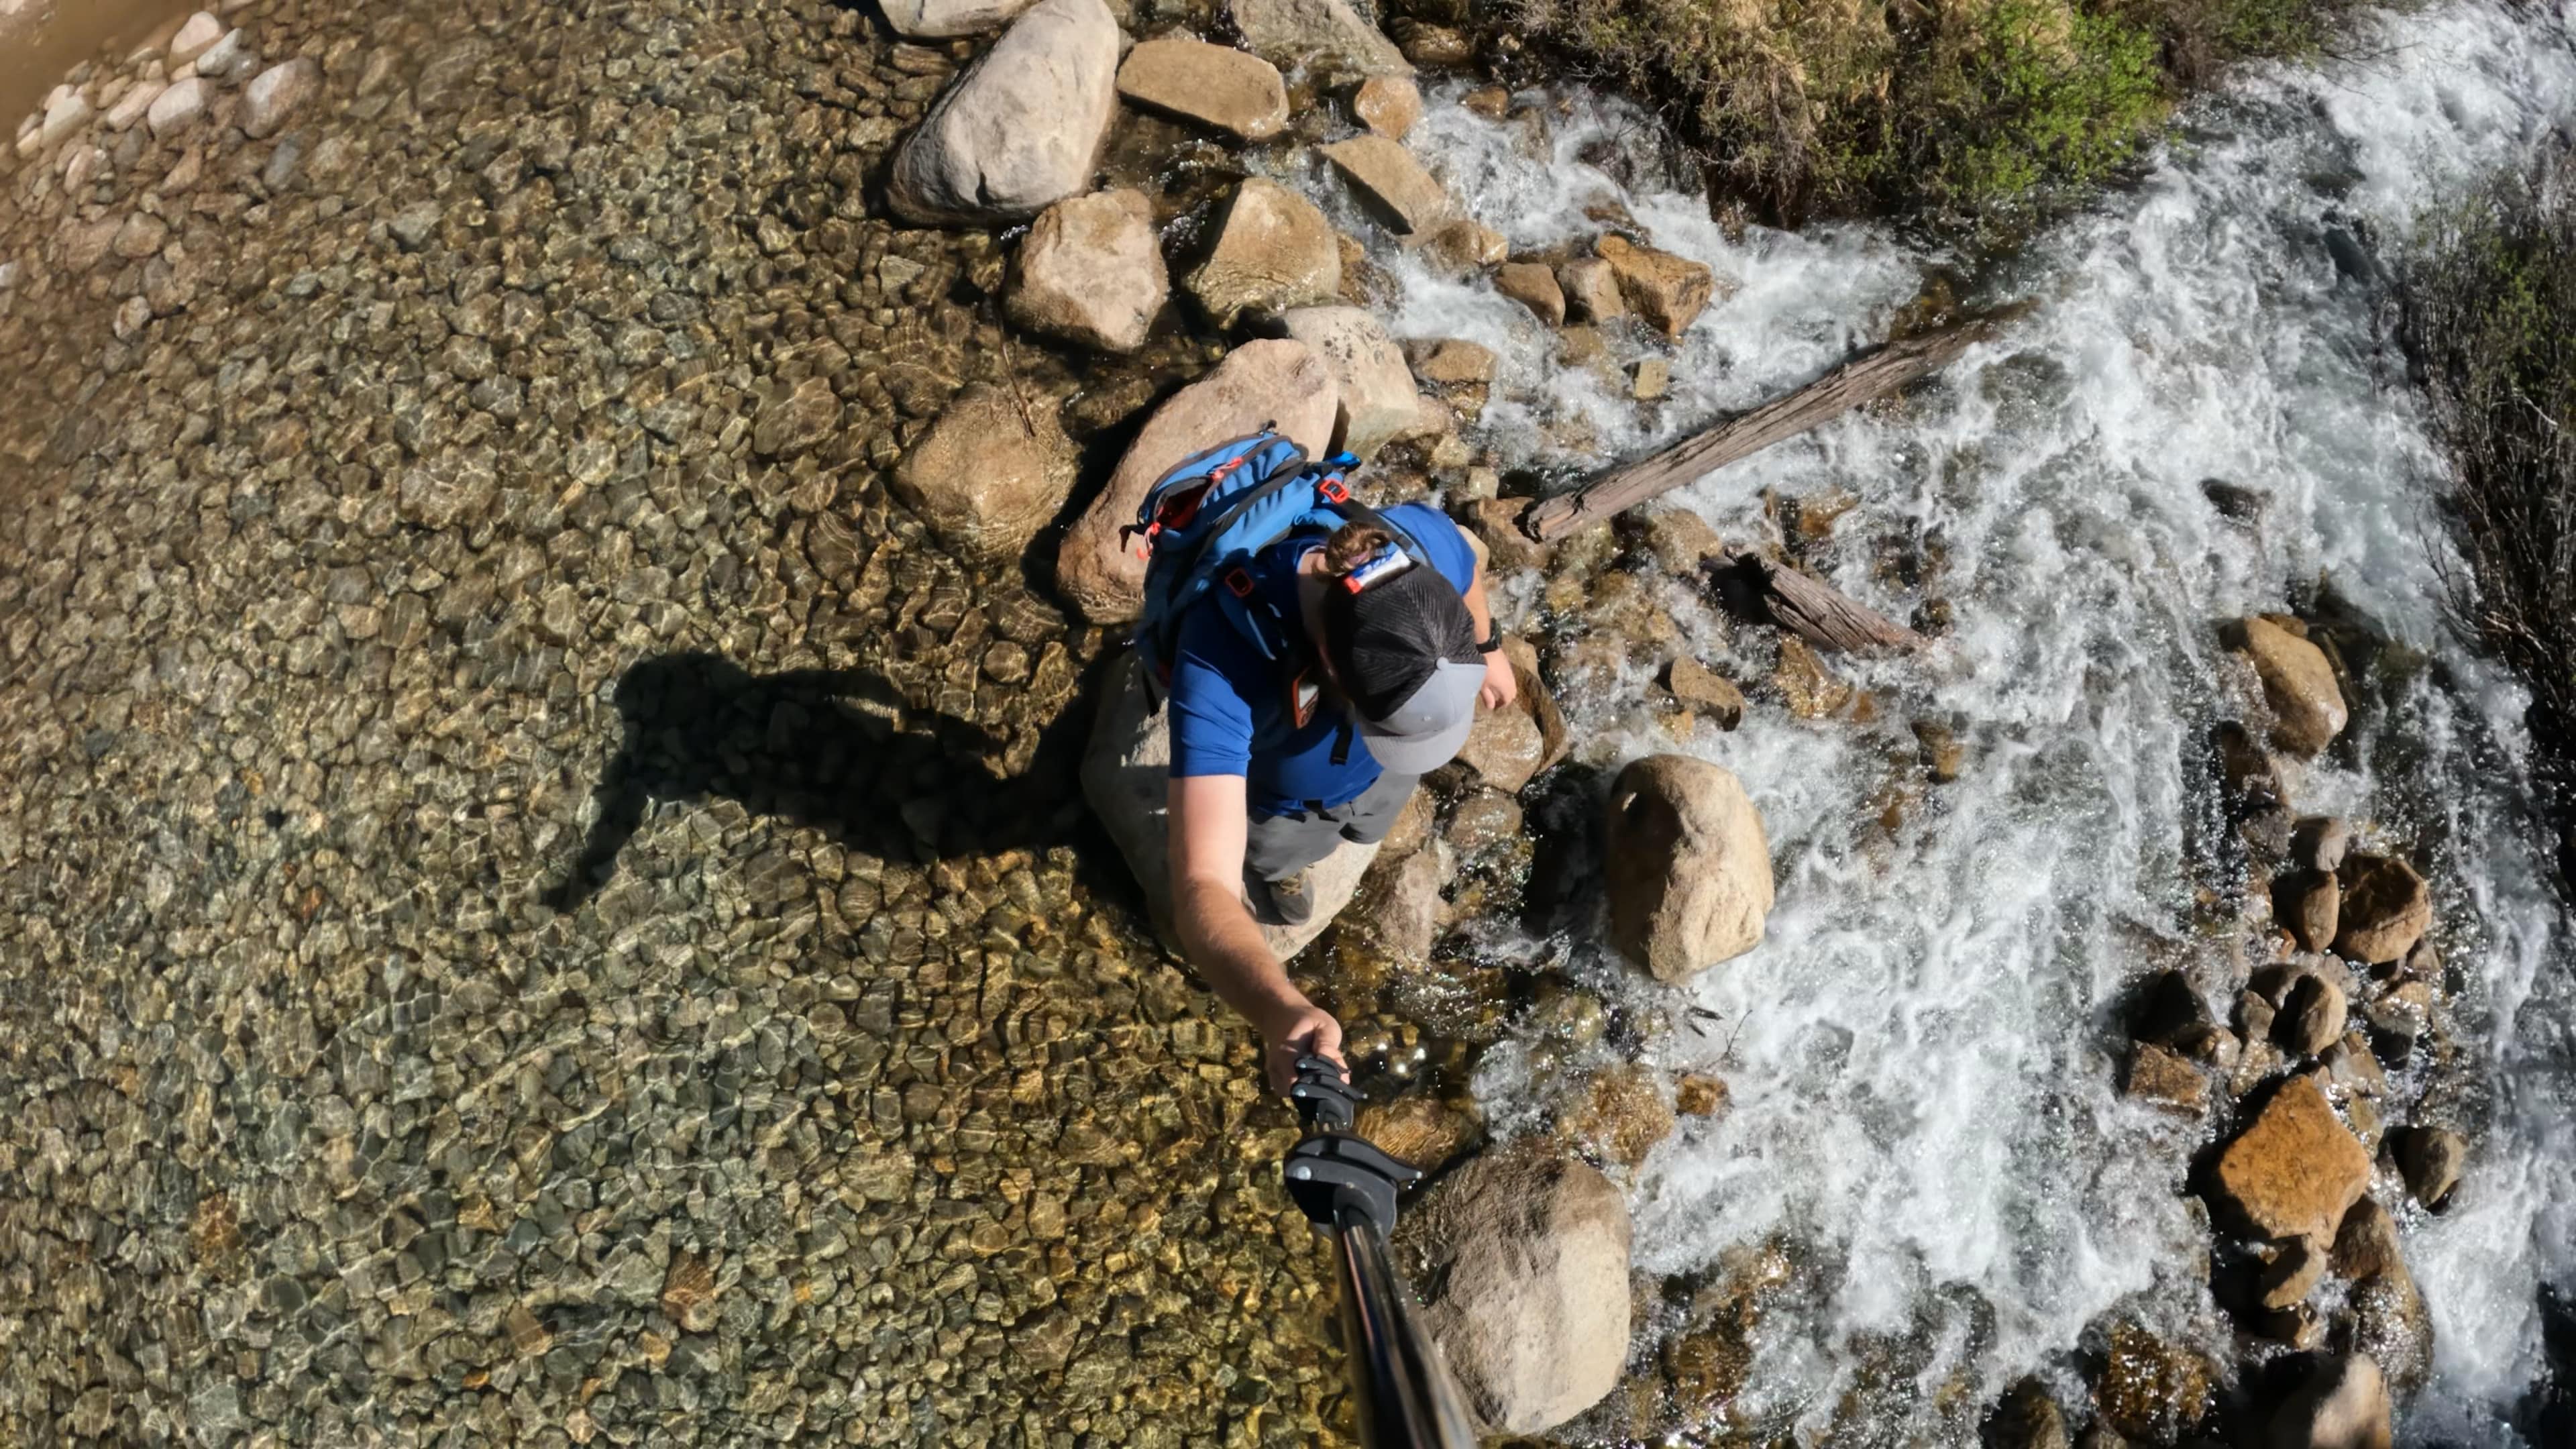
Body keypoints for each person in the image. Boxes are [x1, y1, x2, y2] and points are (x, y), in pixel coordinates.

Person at [1162, 504, 1516, 1091]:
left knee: (1370, 821)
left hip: (1377, 776)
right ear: (1326, 661)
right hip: (1285, 803)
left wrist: (1489, 645)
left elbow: (1463, 562)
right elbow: (1203, 885)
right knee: (1278, 849)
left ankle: (1350, 833)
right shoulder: (1221, 658)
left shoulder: (1419, 544)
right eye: (1395, 728)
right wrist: (1279, 1008)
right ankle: (1284, 875)